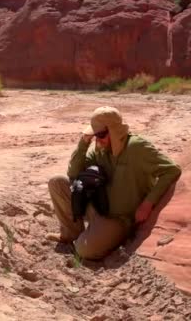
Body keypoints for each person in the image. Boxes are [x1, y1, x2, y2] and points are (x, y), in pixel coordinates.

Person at [47, 106, 181, 260]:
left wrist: (148, 203)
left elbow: (171, 170)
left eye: (101, 134)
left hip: (119, 220)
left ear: (114, 130)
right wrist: (83, 143)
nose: (97, 139)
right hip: (98, 208)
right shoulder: (99, 150)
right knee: (57, 183)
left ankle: (91, 238)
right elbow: (73, 174)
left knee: (84, 251)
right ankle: (72, 234)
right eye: (95, 135)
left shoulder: (137, 147)